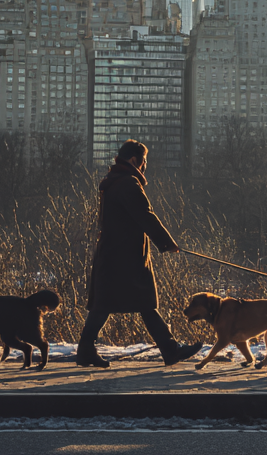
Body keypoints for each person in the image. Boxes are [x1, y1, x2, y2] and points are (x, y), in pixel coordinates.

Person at [76, 139, 203, 368]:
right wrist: (167, 243)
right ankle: (170, 350)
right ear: (134, 160)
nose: (145, 166)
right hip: (127, 257)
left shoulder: (113, 182)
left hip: (113, 254)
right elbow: (146, 216)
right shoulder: (128, 184)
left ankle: (86, 350)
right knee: (142, 303)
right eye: (144, 161)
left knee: (107, 304)